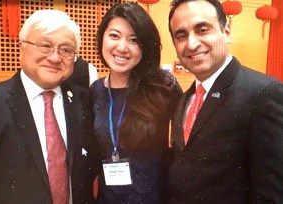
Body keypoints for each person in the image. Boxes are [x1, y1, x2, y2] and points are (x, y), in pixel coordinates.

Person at [0, 9, 99, 204]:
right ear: (21, 47)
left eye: (66, 50)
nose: (55, 57)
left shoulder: (85, 102)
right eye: (45, 45)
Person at [167, 0, 283, 203]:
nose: (192, 44)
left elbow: (272, 193)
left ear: (226, 31)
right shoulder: (184, 99)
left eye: (202, 29)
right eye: (181, 35)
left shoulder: (264, 94)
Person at [90, 2, 182, 204]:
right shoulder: (95, 91)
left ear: (145, 47)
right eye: (114, 36)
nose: (122, 47)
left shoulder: (164, 87)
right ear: (102, 38)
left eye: (134, 40)